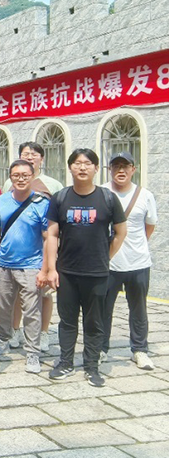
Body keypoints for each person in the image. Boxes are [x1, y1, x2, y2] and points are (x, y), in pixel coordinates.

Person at [45, 148, 127, 387]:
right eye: (77, 163)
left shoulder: (108, 198)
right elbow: (52, 235)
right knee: (67, 321)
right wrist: (51, 268)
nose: (82, 167)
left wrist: (104, 257)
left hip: (97, 273)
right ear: (70, 167)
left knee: (94, 322)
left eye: (88, 163)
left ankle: (92, 367)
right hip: (67, 272)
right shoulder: (60, 198)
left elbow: (121, 232)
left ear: (96, 168)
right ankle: (66, 362)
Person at [0, 160, 49, 374]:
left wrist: (46, 268)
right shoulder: (2, 200)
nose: (20, 179)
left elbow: (48, 237)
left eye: (25, 175)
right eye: (16, 175)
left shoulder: (42, 203)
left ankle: (32, 352)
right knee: (2, 307)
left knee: (31, 310)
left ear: (32, 176)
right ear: (10, 177)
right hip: (4, 264)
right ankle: (3, 340)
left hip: (31, 265)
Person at [5, 142, 63, 350]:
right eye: (25, 154)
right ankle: (14, 330)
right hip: (16, 251)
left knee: (44, 294)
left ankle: (43, 333)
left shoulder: (53, 185)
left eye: (34, 154)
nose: (29, 157)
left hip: (42, 251)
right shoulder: (9, 182)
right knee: (16, 295)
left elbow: (58, 220)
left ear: (42, 158)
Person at [102, 152, 157, 370]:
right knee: (103, 309)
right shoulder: (102, 193)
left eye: (125, 166)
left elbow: (149, 226)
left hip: (138, 262)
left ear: (134, 169)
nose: (121, 170)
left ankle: (140, 350)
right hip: (108, 263)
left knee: (138, 309)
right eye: (116, 166)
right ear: (110, 170)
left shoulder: (145, 195)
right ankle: (101, 348)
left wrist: (135, 245)